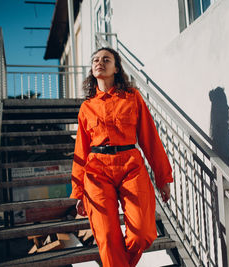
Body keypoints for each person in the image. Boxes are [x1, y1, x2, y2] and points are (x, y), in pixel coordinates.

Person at [70, 47, 173, 267]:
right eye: (95, 60)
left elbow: (150, 138)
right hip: (96, 172)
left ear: (116, 68)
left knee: (142, 234)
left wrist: (163, 177)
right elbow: (81, 150)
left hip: (131, 167)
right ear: (91, 68)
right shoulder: (86, 107)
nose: (100, 62)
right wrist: (78, 190)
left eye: (106, 59)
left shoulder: (132, 97)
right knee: (107, 238)